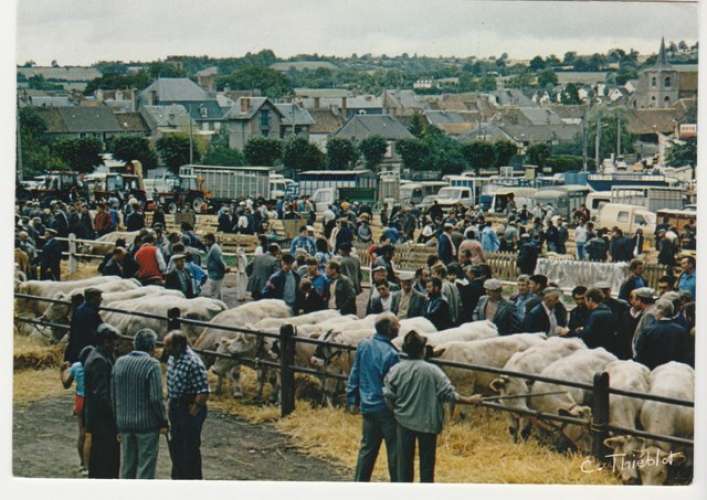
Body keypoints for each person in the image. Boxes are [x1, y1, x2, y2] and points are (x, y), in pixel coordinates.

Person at [383, 331, 482, 483]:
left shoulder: (396, 369)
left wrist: (395, 411)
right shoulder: (433, 371)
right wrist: (469, 399)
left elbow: (388, 395)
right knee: (427, 465)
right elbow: (449, 394)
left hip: (404, 422)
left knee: (404, 463)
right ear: (423, 350)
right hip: (428, 423)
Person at [346, 313, 401, 482]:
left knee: (367, 449)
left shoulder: (364, 345)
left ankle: (360, 485)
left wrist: (352, 399)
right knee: (394, 452)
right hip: (386, 409)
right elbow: (393, 385)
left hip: (367, 405)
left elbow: (355, 373)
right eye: (397, 326)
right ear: (390, 330)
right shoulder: (392, 354)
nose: (399, 328)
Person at [111, 329, 168, 479]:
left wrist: (117, 421)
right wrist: (163, 420)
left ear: (134, 345)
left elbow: (113, 395)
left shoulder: (119, 362)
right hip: (146, 424)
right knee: (145, 468)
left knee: (127, 467)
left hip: (124, 422)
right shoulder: (152, 365)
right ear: (152, 347)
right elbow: (156, 398)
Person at [164, 330, 210, 480]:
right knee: (176, 444)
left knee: (189, 446)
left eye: (168, 346)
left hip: (188, 406)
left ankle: (192, 479)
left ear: (178, 346)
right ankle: (178, 476)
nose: (166, 349)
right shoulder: (172, 358)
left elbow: (203, 390)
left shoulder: (193, 362)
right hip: (176, 406)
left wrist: (194, 409)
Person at [84, 324, 121, 478]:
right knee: (105, 456)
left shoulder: (99, 356)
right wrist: (115, 416)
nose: (115, 346)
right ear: (106, 342)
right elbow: (102, 395)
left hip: (98, 416)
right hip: (103, 419)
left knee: (103, 455)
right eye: (113, 343)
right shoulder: (100, 361)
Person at [60, 345, 93, 476]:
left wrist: (61, 371)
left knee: (81, 434)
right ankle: (88, 465)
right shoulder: (94, 366)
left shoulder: (76, 367)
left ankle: (82, 463)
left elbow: (66, 385)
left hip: (79, 400)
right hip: (90, 400)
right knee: (89, 435)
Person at [634, 299, 691, 370]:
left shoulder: (648, 331)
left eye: (655, 309)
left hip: (653, 370)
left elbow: (640, 353)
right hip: (674, 371)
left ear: (659, 311)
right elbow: (685, 354)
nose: (653, 312)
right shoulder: (681, 331)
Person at [64, 288, 104, 363]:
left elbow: (72, 328)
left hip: (75, 346)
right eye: (99, 297)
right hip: (87, 349)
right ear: (92, 299)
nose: (101, 299)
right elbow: (98, 330)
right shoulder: (92, 313)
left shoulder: (78, 309)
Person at [203, 233, 228, 300]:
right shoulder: (212, 248)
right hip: (214, 273)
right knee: (218, 292)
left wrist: (225, 268)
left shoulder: (215, 249)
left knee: (214, 294)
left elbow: (220, 260)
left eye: (206, 241)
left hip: (216, 274)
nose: (204, 243)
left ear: (210, 240)